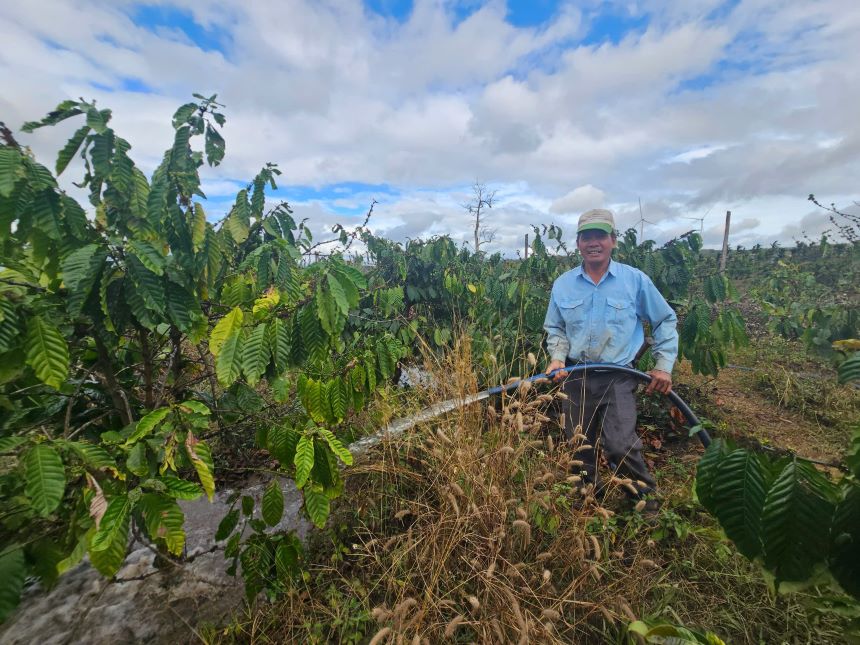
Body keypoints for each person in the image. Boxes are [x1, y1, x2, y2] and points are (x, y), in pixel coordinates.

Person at [542, 208, 678, 504]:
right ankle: (585, 497)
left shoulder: (634, 281)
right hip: (577, 376)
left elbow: (664, 319)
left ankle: (646, 504)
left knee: (620, 445)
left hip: (619, 375)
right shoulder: (563, 284)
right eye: (586, 236)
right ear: (578, 243)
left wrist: (663, 365)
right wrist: (557, 357)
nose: (593, 243)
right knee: (578, 445)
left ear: (613, 240)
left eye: (600, 236)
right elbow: (555, 328)